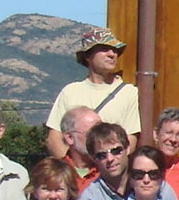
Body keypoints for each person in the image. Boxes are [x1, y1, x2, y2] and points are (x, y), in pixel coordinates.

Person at [45, 26, 140, 159]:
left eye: (115, 50)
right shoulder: (70, 92)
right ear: (88, 56)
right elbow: (54, 139)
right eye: (104, 49)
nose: (112, 54)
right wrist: (72, 172)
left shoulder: (128, 93)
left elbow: (130, 140)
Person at [56, 106, 103, 198]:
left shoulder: (110, 172)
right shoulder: (54, 173)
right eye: (92, 133)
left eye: (102, 132)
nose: (99, 138)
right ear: (70, 138)